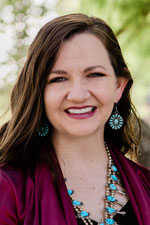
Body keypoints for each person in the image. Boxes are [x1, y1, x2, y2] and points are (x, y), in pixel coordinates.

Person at [0, 13, 149, 225]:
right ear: (38, 92)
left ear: (118, 86)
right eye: (58, 78)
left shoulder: (147, 185)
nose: (78, 95)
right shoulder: (8, 190)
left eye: (95, 74)